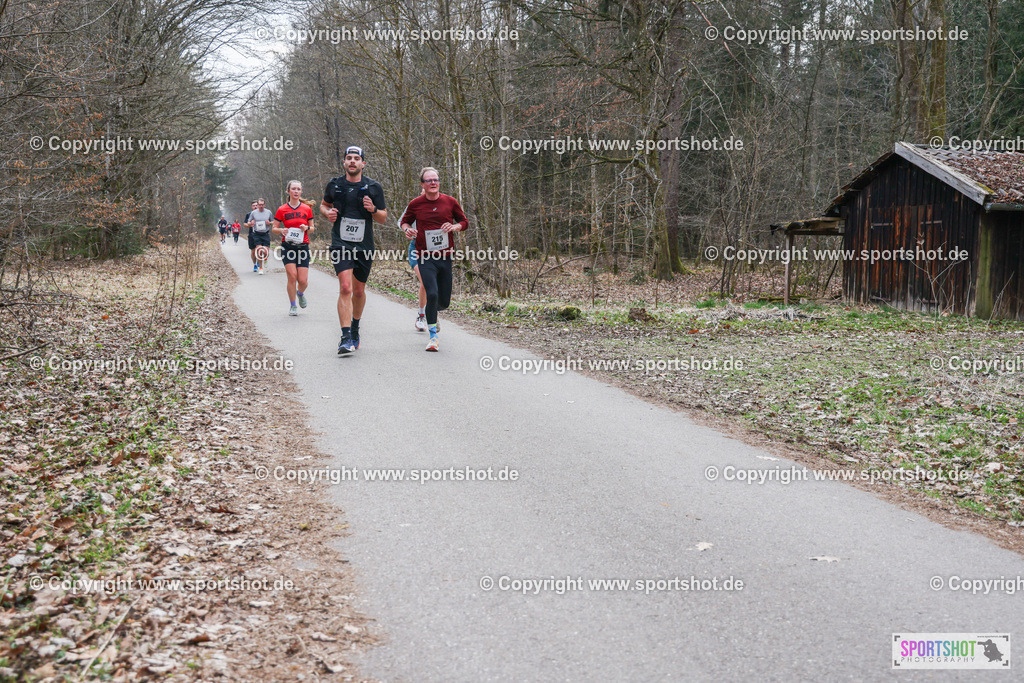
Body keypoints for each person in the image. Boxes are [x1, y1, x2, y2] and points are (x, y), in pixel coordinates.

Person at [321, 145, 386, 354]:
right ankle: (345, 337)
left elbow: (383, 217)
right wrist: (327, 213)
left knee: (358, 291)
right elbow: (323, 205)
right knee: (346, 288)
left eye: (356, 158)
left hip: (364, 245)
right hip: (341, 243)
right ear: (344, 163)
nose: (352, 161)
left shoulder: (374, 187)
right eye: (348, 158)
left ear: (362, 163)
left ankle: (356, 326)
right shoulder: (335, 184)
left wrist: (373, 209)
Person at [400, 167, 468, 351]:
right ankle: (433, 336)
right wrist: (408, 230)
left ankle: (432, 313)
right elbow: (404, 222)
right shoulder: (415, 204)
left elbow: (464, 222)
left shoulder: (450, 202)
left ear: (439, 182)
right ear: (422, 184)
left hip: (445, 256)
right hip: (424, 256)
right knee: (431, 293)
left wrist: (454, 228)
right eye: (428, 180)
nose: (433, 183)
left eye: (435, 179)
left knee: (443, 301)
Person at [272, 181, 315, 316]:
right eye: (293, 189)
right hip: (288, 247)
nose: (296, 191)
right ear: (288, 191)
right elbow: (274, 228)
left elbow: (312, 228)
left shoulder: (307, 209)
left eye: (298, 189)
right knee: (292, 276)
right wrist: (281, 230)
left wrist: (306, 228)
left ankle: (300, 293)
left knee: (303, 281)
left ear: (301, 191)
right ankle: (292, 305)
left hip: (303, 247)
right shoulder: (282, 209)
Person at [246, 198, 273, 274]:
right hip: (256, 234)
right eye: (259, 205)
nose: (261, 206)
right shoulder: (253, 213)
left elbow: (273, 221)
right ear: (257, 205)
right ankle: (260, 268)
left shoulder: (268, 212)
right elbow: (248, 222)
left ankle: (265, 258)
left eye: (262, 205)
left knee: (265, 252)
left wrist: (269, 223)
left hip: (265, 234)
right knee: (259, 251)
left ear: (264, 205)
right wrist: (250, 223)